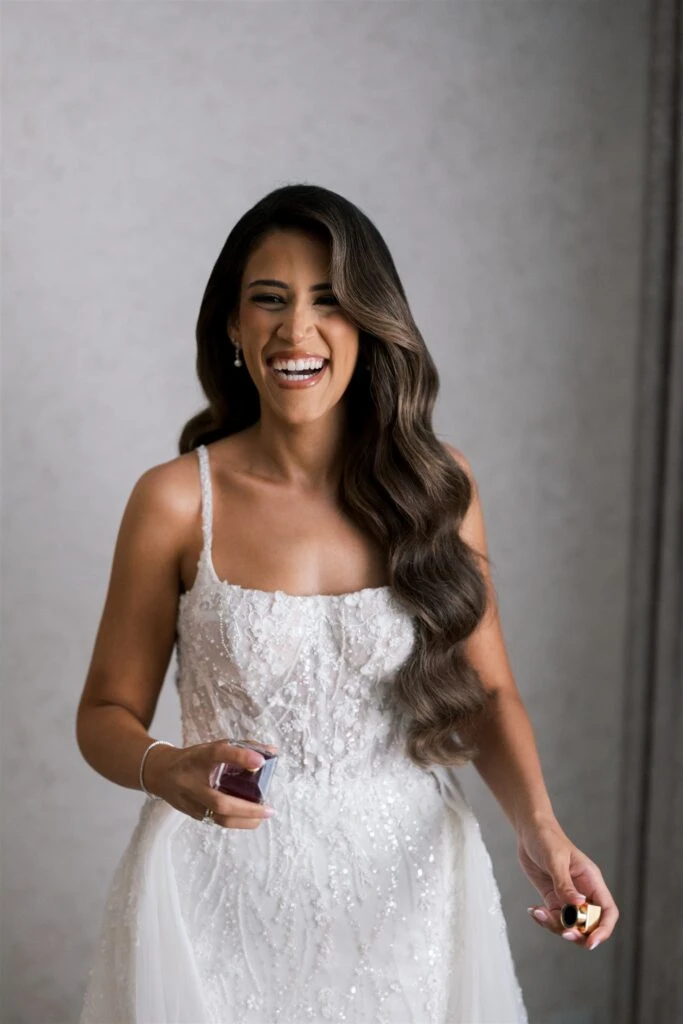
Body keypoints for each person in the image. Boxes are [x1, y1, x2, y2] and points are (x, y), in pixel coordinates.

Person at [76, 183, 618, 1024]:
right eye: (269, 300)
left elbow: (485, 695)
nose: (297, 330)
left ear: (369, 322)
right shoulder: (176, 501)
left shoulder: (437, 488)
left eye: (328, 300)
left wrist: (541, 831)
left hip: (406, 896)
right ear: (232, 325)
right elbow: (104, 713)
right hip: (216, 897)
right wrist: (166, 769)